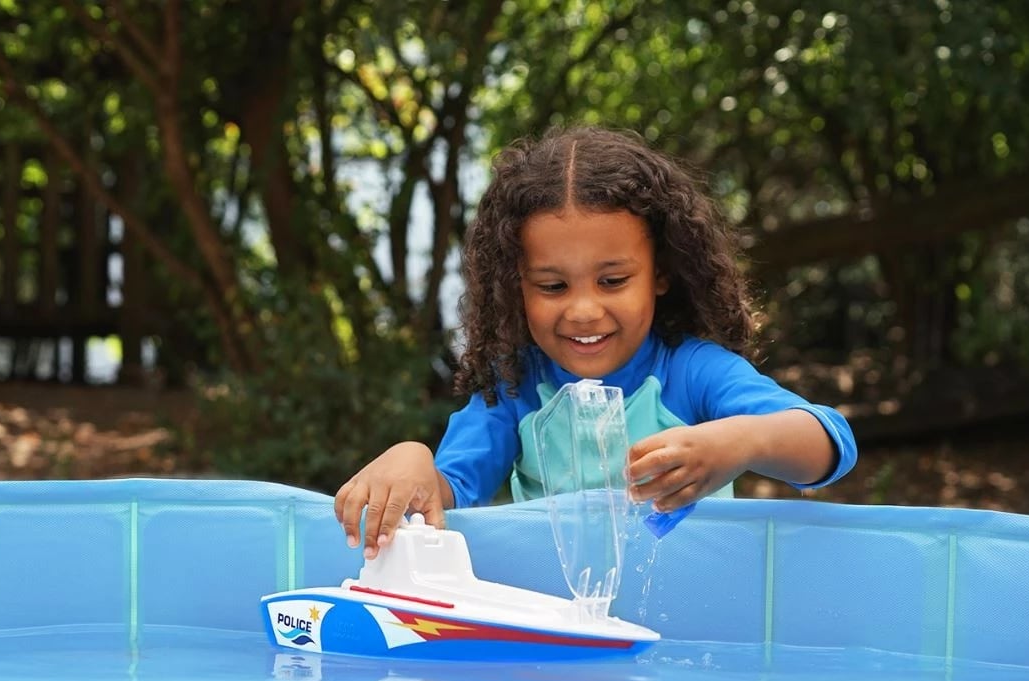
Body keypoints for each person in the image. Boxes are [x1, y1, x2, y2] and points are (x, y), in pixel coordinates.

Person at [334, 125, 858, 559]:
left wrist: (739, 443)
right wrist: (411, 460)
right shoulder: (515, 388)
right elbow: (449, 496)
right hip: (559, 632)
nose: (583, 309)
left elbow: (829, 444)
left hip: (692, 625)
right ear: (517, 287)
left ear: (660, 273)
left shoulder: (693, 372)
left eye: (612, 281)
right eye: (553, 286)